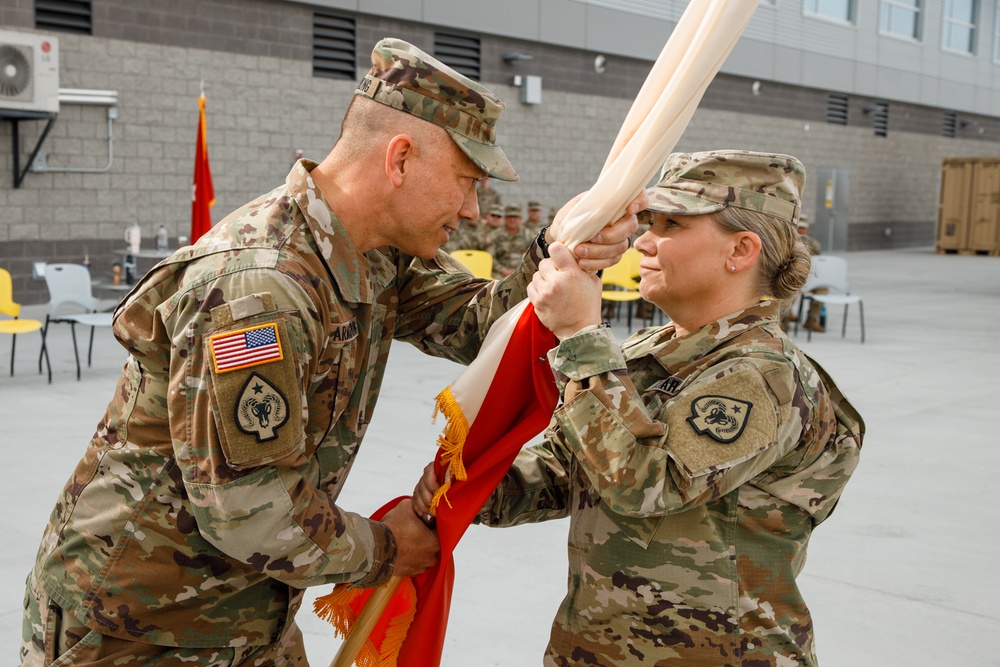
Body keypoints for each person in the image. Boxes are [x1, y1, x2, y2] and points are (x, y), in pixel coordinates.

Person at [20, 38, 641, 666]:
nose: (473, 210)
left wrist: (561, 248)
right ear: (399, 159)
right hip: (143, 623)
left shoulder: (376, 250)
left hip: (246, 606)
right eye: (466, 182)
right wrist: (386, 548)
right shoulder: (261, 288)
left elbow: (481, 322)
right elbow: (248, 508)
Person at [415, 150, 864, 666]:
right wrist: (477, 486)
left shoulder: (764, 377)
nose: (644, 242)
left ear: (741, 250)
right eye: (649, 223)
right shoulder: (650, 352)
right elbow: (571, 468)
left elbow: (643, 484)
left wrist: (580, 335)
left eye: (670, 225)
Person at [489, 203, 534, 278]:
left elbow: (533, 255)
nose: (512, 220)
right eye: (510, 217)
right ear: (505, 218)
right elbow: (490, 256)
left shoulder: (528, 235)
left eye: (515, 217)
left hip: (522, 272)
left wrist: (522, 270)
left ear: (520, 218)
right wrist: (502, 270)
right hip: (499, 273)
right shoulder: (495, 235)